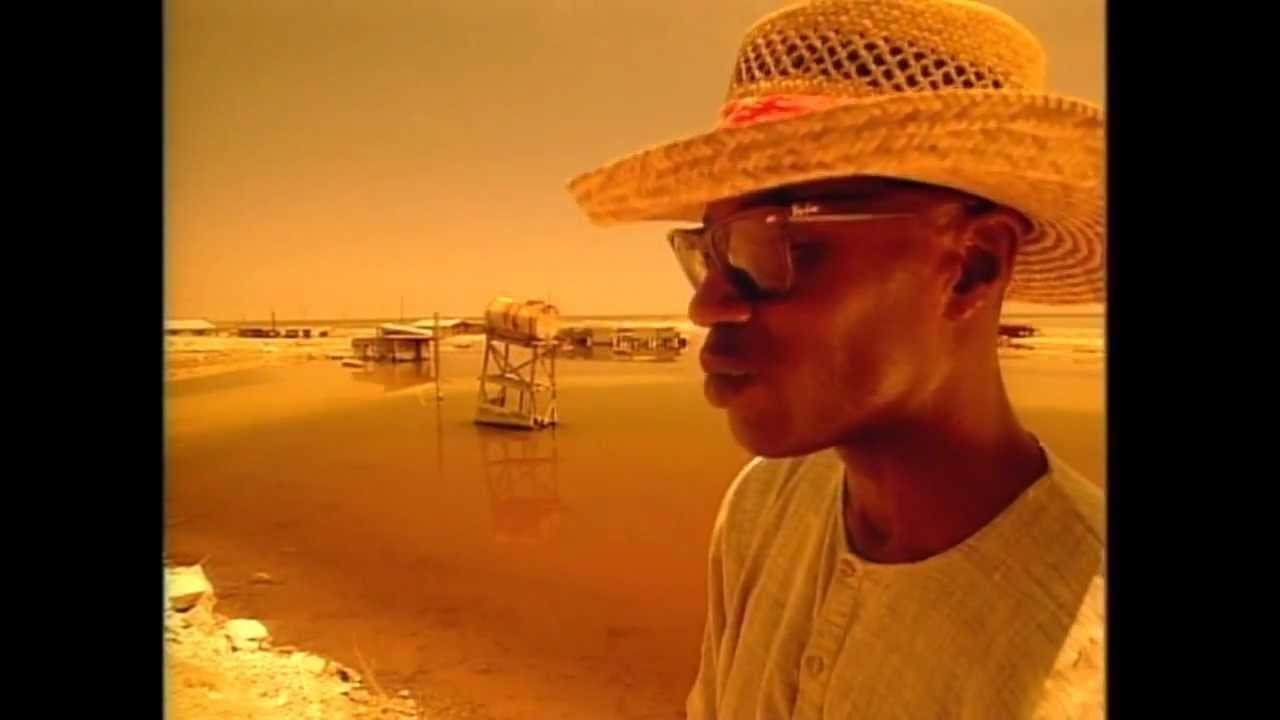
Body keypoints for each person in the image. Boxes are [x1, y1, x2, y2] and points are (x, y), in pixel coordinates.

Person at [568, 0, 1104, 717]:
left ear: (972, 266)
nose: (707, 305)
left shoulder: (1081, 665)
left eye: (771, 244)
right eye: (709, 251)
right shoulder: (764, 505)